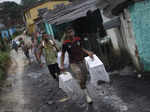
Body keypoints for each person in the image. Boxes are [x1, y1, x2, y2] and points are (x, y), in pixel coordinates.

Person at [61, 26, 94, 104]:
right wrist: (62, 65)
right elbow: (62, 54)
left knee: (84, 77)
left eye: (72, 31)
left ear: (74, 32)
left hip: (82, 61)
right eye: (69, 32)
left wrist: (88, 52)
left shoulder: (78, 39)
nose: (71, 33)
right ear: (66, 34)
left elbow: (82, 48)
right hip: (73, 63)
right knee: (79, 73)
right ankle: (87, 95)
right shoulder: (65, 43)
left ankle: (83, 85)